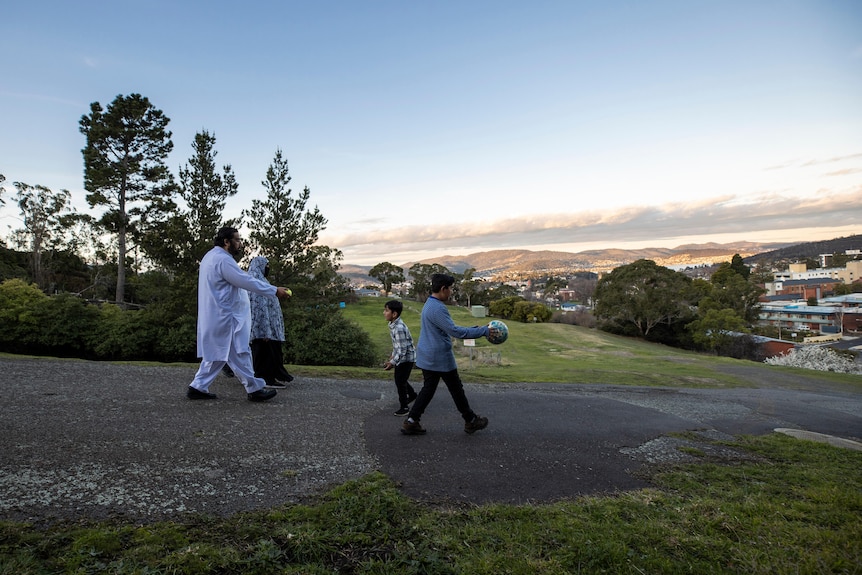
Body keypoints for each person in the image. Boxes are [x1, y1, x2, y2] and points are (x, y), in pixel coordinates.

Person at [187, 227, 291, 402]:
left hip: (218, 315)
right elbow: (245, 281)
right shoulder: (222, 260)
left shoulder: (211, 257)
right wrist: (274, 290)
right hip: (227, 317)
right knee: (239, 352)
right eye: (237, 240)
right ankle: (254, 388)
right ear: (226, 242)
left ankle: (198, 386)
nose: (240, 244)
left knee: (218, 354)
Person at [401, 273, 499, 435]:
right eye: (451, 288)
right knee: (456, 389)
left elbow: (447, 328)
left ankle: (411, 420)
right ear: (443, 289)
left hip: (429, 355)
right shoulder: (437, 308)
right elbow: (455, 331)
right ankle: (471, 421)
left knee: (429, 389)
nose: (452, 292)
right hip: (439, 357)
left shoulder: (430, 304)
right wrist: (483, 331)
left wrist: (475, 329)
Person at [247, 256, 294, 389]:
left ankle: (273, 376)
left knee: (271, 353)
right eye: (266, 265)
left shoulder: (261, 281)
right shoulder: (255, 283)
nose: (268, 268)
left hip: (268, 329)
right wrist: (265, 331)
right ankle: (266, 379)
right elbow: (259, 309)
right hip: (262, 329)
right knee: (264, 354)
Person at [383, 300, 417, 416]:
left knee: (400, 382)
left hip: (406, 359)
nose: (384, 313)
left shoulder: (399, 328)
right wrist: (393, 354)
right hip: (402, 358)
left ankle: (404, 407)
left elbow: (403, 350)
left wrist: (392, 362)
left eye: (386, 310)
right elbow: (397, 344)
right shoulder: (392, 325)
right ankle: (412, 395)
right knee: (401, 380)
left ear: (394, 314)